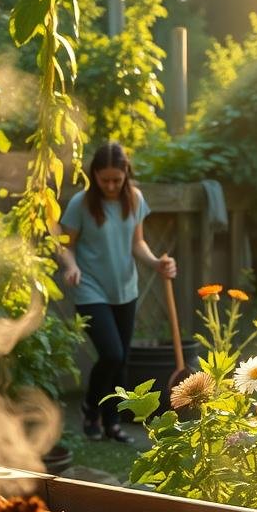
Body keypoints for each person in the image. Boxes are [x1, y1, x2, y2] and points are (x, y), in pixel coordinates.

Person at [59, 141, 177, 443]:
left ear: (126, 173)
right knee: (111, 354)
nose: (111, 185)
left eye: (117, 179)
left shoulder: (134, 199)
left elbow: (137, 242)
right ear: (94, 175)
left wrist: (155, 263)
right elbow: (66, 245)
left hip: (125, 289)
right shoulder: (81, 204)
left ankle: (111, 422)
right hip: (90, 289)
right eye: (104, 179)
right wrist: (71, 267)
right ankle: (90, 408)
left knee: (121, 359)